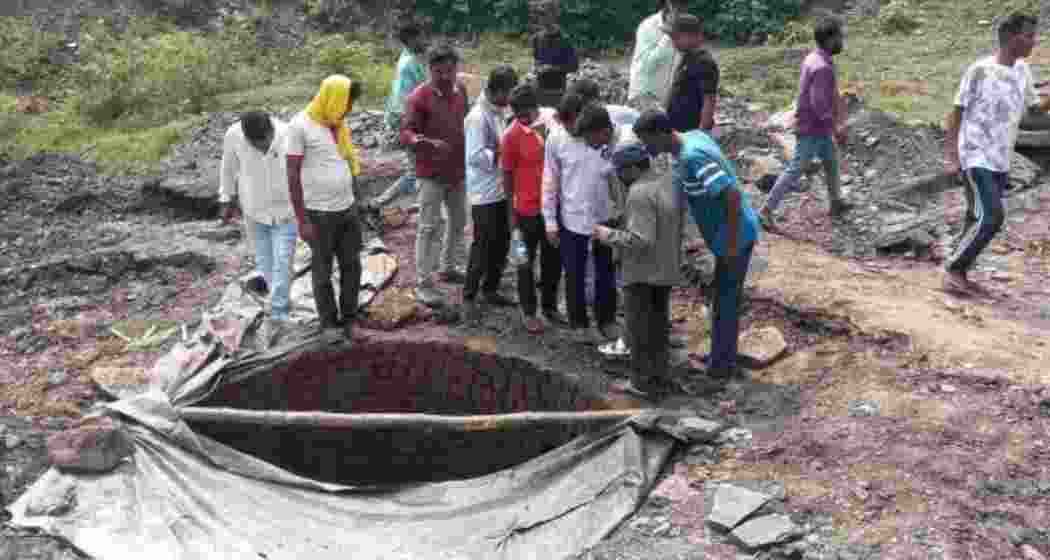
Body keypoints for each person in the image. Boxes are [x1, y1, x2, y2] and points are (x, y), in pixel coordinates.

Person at [633, 110, 760, 379]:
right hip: (727, 234)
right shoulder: (693, 138)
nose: (646, 148)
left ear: (662, 134)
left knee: (725, 299)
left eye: (648, 142)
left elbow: (733, 196)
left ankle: (719, 371)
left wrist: (732, 242)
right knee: (722, 296)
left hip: (734, 236)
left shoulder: (693, 157)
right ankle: (721, 356)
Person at [943, 13, 1043, 295]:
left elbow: (1034, 113)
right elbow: (955, 114)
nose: (1033, 41)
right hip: (975, 155)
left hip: (1001, 158)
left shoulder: (1023, 71)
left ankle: (958, 272)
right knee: (993, 216)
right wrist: (952, 157)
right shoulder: (979, 70)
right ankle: (953, 268)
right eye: (1028, 35)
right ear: (1012, 37)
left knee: (977, 215)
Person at [593, 143, 685, 396]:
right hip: (665, 267)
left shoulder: (639, 193)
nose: (619, 177)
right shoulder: (666, 182)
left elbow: (640, 239)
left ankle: (641, 383)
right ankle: (659, 376)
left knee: (638, 328)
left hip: (642, 272)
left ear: (633, 169)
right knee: (657, 325)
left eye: (621, 171)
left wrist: (606, 234)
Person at [287, 75, 364, 339]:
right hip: (318, 213)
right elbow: (292, 175)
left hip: (347, 208)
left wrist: (357, 199)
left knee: (352, 266)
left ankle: (350, 317)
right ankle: (329, 323)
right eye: (347, 102)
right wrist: (301, 220)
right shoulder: (299, 127)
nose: (349, 109)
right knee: (322, 270)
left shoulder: (338, 123)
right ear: (332, 98)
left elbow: (347, 160)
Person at [759, 16, 852, 229]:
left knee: (831, 162)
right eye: (840, 37)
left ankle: (836, 202)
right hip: (813, 128)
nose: (842, 41)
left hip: (815, 126)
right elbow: (819, 104)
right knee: (795, 169)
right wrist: (835, 127)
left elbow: (828, 95)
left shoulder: (814, 58)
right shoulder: (822, 68)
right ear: (830, 40)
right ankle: (765, 211)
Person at [543, 103, 624, 341]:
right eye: (567, 126)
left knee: (605, 270)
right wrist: (550, 220)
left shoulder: (606, 138)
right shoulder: (556, 139)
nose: (571, 130)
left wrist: (620, 209)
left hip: (604, 215)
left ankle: (606, 319)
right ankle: (579, 323)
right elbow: (550, 180)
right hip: (572, 217)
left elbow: (617, 177)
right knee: (574, 273)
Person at [401, 43, 470, 308]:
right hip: (430, 173)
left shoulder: (461, 90)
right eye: (439, 72)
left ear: (456, 70)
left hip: (456, 169)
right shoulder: (418, 98)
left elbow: (465, 122)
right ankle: (424, 283)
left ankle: (448, 267)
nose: (445, 77)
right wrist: (426, 142)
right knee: (428, 227)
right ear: (430, 70)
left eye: (450, 71)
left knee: (458, 220)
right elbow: (405, 134)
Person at [219, 111, 297, 341]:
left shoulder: (288, 133)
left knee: (284, 261)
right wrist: (226, 197)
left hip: (286, 211)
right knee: (266, 264)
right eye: (255, 144)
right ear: (246, 138)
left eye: (264, 142)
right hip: (254, 210)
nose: (261, 147)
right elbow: (228, 168)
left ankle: (279, 314)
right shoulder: (233, 136)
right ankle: (280, 300)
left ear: (271, 131)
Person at [501, 84, 564, 333]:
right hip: (523, 212)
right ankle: (529, 311)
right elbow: (506, 175)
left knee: (552, 262)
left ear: (536, 107)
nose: (523, 119)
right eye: (518, 116)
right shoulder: (510, 137)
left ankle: (549, 307)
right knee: (524, 263)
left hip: (551, 209)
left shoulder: (551, 123)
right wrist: (510, 216)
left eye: (527, 114)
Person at [462, 65, 519, 321]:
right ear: (496, 91)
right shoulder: (477, 117)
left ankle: (491, 289)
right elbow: (475, 156)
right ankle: (469, 297)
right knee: (483, 245)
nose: (510, 100)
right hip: (484, 193)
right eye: (508, 94)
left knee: (502, 241)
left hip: (501, 190)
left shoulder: (497, 112)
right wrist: (501, 152)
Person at [368, 20, 429, 213]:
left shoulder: (408, 56)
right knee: (418, 169)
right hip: (408, 121)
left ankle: (417, 203)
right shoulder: (409, 65)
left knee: (421, 167)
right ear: (411, 39)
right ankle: (379, 203)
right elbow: (407, 100)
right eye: (421, 36)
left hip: (405, 120)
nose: (424, 40)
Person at [627, 0, 689, 110]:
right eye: (677, 6)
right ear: (668, 5)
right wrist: (668, 36)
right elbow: (647, 65)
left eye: (683, 6)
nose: (681, 11)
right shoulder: (648, 26)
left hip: (667, 98)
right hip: (644, 95)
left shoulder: (685, 27)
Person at [664, 14, 719, 133]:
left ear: (692, 36)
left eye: (676, 37)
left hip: (692, 130)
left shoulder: (704, 62)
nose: (673, 42)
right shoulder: (687, 57)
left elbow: (709, 99)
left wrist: (702, 133)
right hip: (679, 129)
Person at [531, 7, 579, 109]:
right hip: (540, 90)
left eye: (544, 15)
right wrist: (536, 68)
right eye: (540, 15)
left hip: (558, 91)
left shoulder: (565, 40)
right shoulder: (536, 39)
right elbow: (536, 60)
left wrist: (552, 68)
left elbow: (574, 66)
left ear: (553, 16)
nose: (542, 19)